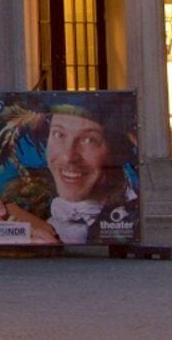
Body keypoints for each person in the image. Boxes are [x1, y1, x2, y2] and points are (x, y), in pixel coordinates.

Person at [40, 100, 139, 246]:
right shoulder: (29, 208)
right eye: (59, 134)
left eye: (89, 140)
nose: (68, 157)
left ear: (115, 151)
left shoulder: (132, 217)